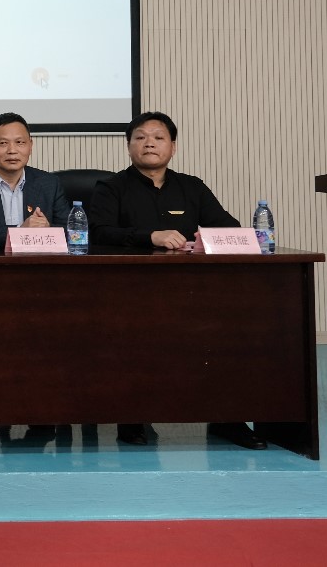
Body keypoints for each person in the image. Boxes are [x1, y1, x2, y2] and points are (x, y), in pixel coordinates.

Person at [87, 111, 263, 451]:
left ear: (173, 147)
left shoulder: (192, 187)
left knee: (231, 331)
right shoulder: (111, 188)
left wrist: (204, 239)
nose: (149, 143)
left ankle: (228, 417)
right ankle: (132, 416)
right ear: (129, 146)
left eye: (158, 137)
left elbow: (228, 226)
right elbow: (97, 233)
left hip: (192, 290)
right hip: (130, 291)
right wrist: (149, 236)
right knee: (133, 336)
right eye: (140, 137)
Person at [0, 112, 70, 248]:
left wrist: (48, 229)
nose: (12, 150)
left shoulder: (49, 183)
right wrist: (19, 232)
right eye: (3, 143)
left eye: (20, 142)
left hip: (38, 259)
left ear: (30, 145)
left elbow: (72, 231)